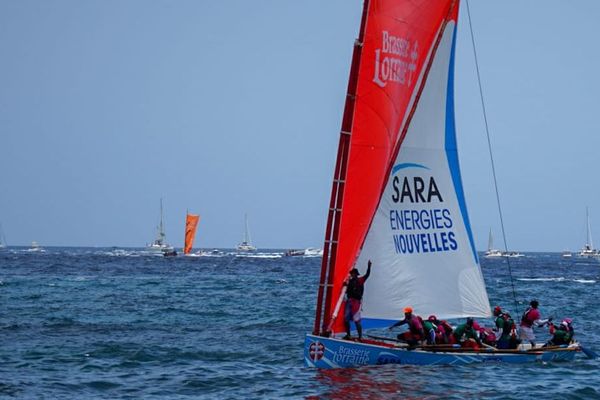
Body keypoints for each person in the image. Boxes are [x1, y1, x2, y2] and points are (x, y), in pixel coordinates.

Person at [342, 260, 372, 340]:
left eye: (353, 273)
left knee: (357, 320)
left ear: (356, 274)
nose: (352, 274)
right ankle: (348, 335)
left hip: (356, 302)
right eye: (351, 273)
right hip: (349, 301)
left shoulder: (360, 280)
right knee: (346, 318)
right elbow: (346, 289)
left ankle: (360, 337)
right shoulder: (349, 282)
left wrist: (369, 267)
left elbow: (367, 275)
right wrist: (344, 284)